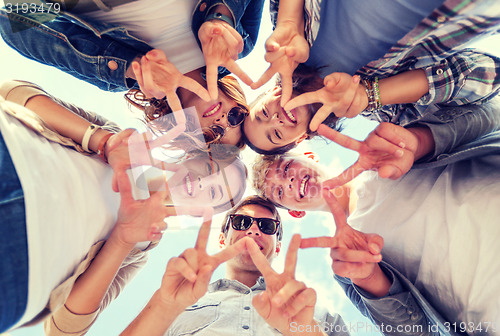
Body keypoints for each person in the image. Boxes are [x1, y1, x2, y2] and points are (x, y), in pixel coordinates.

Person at [0, 79, 247, 334]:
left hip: (19, 266)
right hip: (12, 154)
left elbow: (63, 329)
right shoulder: (122, 140)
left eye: (215, 191)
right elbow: (12, 93)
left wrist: (122, 239)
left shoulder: (139, 248)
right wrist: (102, 141)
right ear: (192, 157)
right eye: (209, 169)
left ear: (201, 212)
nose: (203, 182)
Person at [251, 121, 500, 334]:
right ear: (295, 211)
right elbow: (412, 330)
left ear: (310, 157)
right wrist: (369, 277)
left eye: (285, 169)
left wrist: (420, 140)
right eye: (279, 191)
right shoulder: (346, 264)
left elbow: (486, 109)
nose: (290, 181)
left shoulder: (382, 154)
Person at [242, 0, 500, 154]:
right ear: (301, 139)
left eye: (263, 113)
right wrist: (371, 94)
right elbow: (487, 74)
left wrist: (289, 21)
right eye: (275, 134)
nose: (275, 119)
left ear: (269, 94)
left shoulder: (284, 31)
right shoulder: (388, 113)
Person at [0, 0, 261, 146]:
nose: (223, 121)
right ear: (239, 101)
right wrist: (221, 18)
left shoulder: (115, 77)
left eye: (213, 134)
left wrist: (130, 63)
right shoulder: (239, 43)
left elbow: (13, 19)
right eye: (236, 117)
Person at [120, 196, 351, 336]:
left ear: (277, 247)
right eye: (241, 222)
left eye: (267, 226)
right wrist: (164, 304)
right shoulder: (178, 303)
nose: (253, 231)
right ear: (222, 238)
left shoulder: (317, 315)